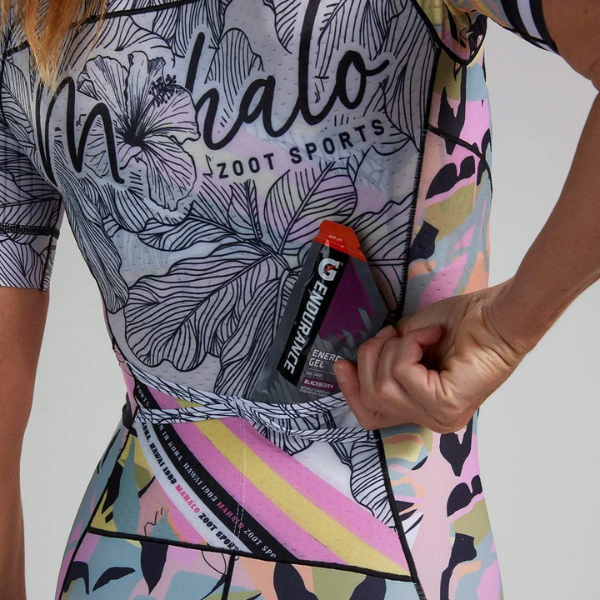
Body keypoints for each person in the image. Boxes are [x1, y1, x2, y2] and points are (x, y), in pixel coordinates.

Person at [0, 0, 597, 598]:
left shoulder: (21, 24)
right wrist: (501, 334)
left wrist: (505, 334)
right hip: (390, 561)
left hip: (129, 559)